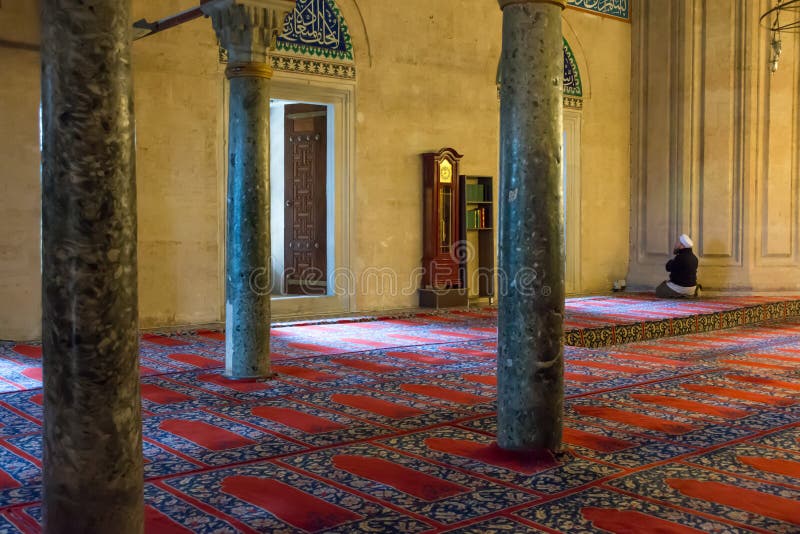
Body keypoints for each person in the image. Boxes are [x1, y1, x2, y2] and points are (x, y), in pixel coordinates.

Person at [656, 234, 699, 298]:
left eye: (677, 243)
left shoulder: (680, 258)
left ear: (682, 246)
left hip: (681, 288)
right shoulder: (694, 258)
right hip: (692, 288)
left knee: (659, 290)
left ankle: (680, 294)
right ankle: (689, 293)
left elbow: (668, 267)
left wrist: (671, 261)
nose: (675, 244)